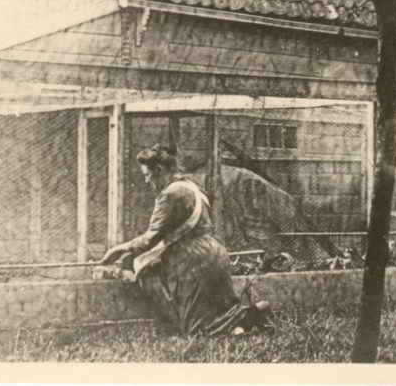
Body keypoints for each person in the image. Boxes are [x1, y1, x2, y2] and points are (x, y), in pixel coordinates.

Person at [101, 144, 273, 336]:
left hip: (193, 260)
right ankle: (255, 313)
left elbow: (149, 239)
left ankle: (249, 318)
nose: (146, 181)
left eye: (147, 175)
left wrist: (117, 250)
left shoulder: (170, 194)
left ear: (159, 170)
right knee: (218, 314)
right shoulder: (193, 187)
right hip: (214, 253)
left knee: (198, 330)